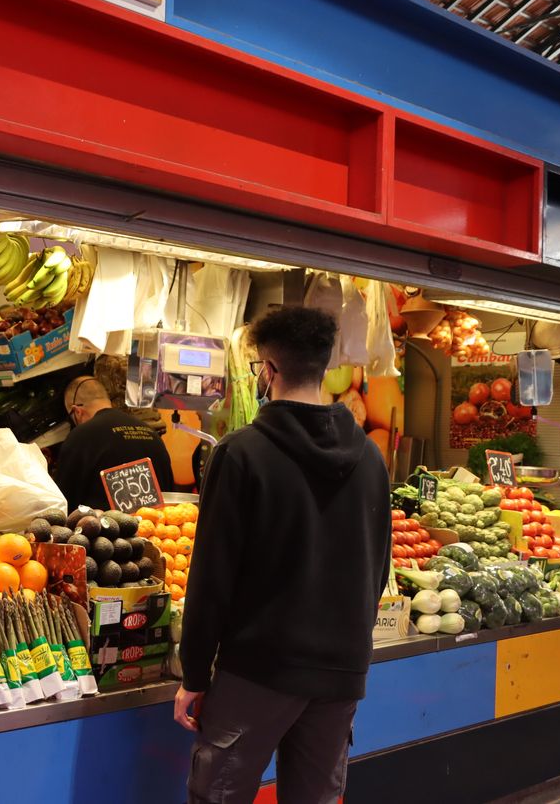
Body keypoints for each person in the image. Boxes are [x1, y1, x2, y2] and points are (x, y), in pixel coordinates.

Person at [174, 307, 392, 804]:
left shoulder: (241, 453)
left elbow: (212, 576)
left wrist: (194, 674)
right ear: (322, 368)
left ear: (267, 371)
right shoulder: (370, 458)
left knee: (220, 794)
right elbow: (379, 570)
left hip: (258, 670)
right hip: (340, 674)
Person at [54, 375, 175, 510]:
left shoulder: (79, 437)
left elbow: (64, 501)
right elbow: (170, 490)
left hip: (104, 529)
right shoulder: (150, 432)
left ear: (77, 411)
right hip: (156, 527)